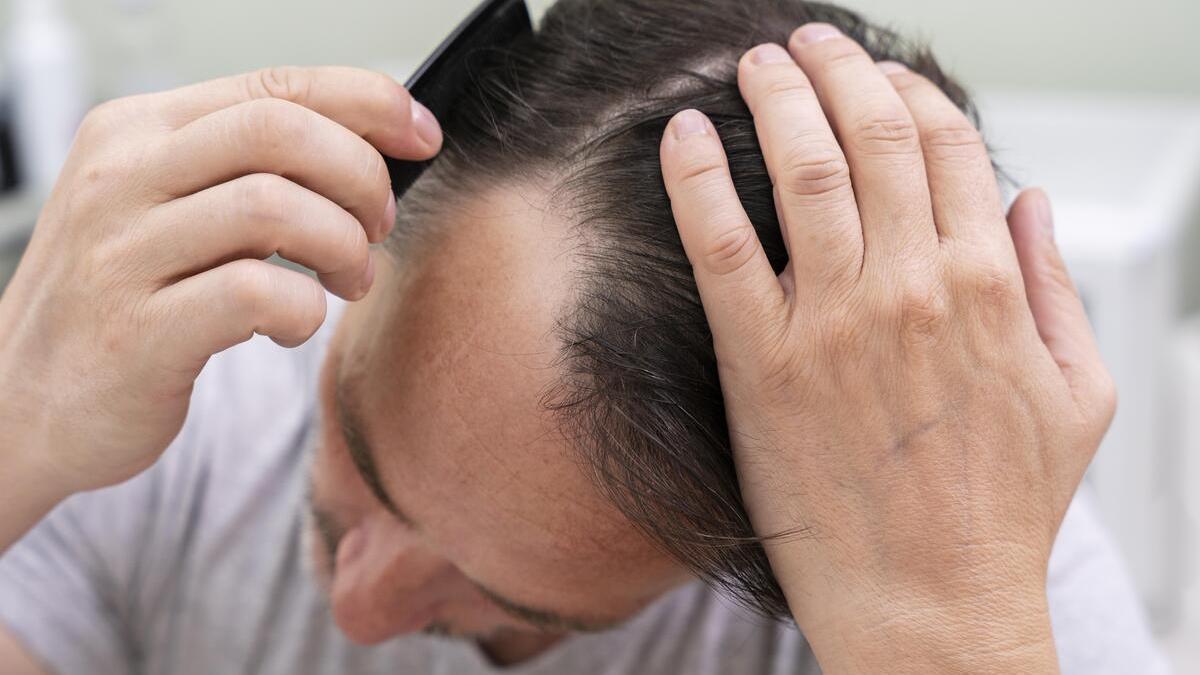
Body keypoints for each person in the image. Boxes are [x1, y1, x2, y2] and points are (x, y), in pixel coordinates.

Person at [0, 0, 1169, 673]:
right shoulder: (162, 410)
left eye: (534, 615)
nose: (359, 610)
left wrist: (941, 636)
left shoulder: (946, 569)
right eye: (358, 433)